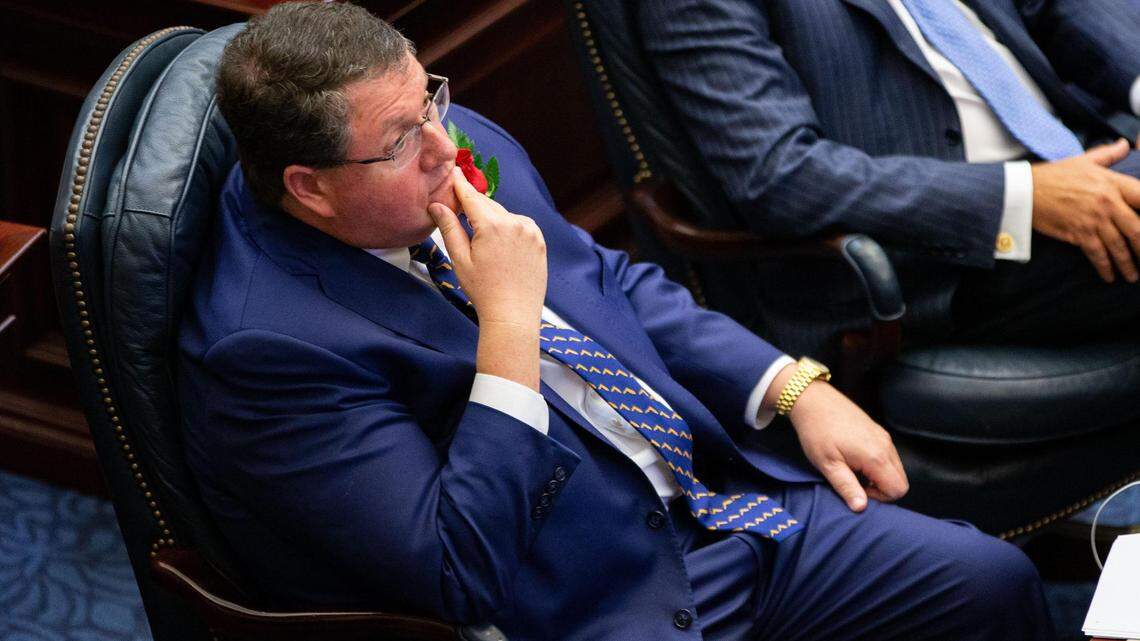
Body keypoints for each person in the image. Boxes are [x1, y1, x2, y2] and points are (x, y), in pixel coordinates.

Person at [178, 3, 1054, 640]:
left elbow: (613, 281)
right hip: (592, 603)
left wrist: (790, 385)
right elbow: (458, 566)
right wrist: (509, 327)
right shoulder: (268, 348)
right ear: (311, 187)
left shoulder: (443, 143)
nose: (448, 149)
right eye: (403, 140)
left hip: (723, 510)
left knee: (991, 583)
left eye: (431, 102)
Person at [637, 0, 1140, 357]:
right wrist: (1026, 196)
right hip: (942, 254)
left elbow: (1053, 6)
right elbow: (780, 175)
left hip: (1085, 159)